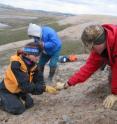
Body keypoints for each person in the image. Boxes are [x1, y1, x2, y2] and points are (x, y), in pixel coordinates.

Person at [55, 24, 117, 109]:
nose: (91, 50)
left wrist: (115, 94)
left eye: (91, 47)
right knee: (112, 77)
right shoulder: (98, 50)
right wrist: (67, 84)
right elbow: (87, 69)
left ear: (98, 42)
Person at [0, 42, 57, 115]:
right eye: (36, 55)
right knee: (19, 109)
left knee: (30, 104)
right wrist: (44, 88)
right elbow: (26, 86)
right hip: (7, 90)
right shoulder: (16, 65)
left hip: (19, 90)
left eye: (39, 55)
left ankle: (16, 98)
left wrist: (43, 86)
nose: (38, 58)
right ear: (27, 54)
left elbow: (39, 79)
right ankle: (2, 101)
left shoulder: (33, 64)